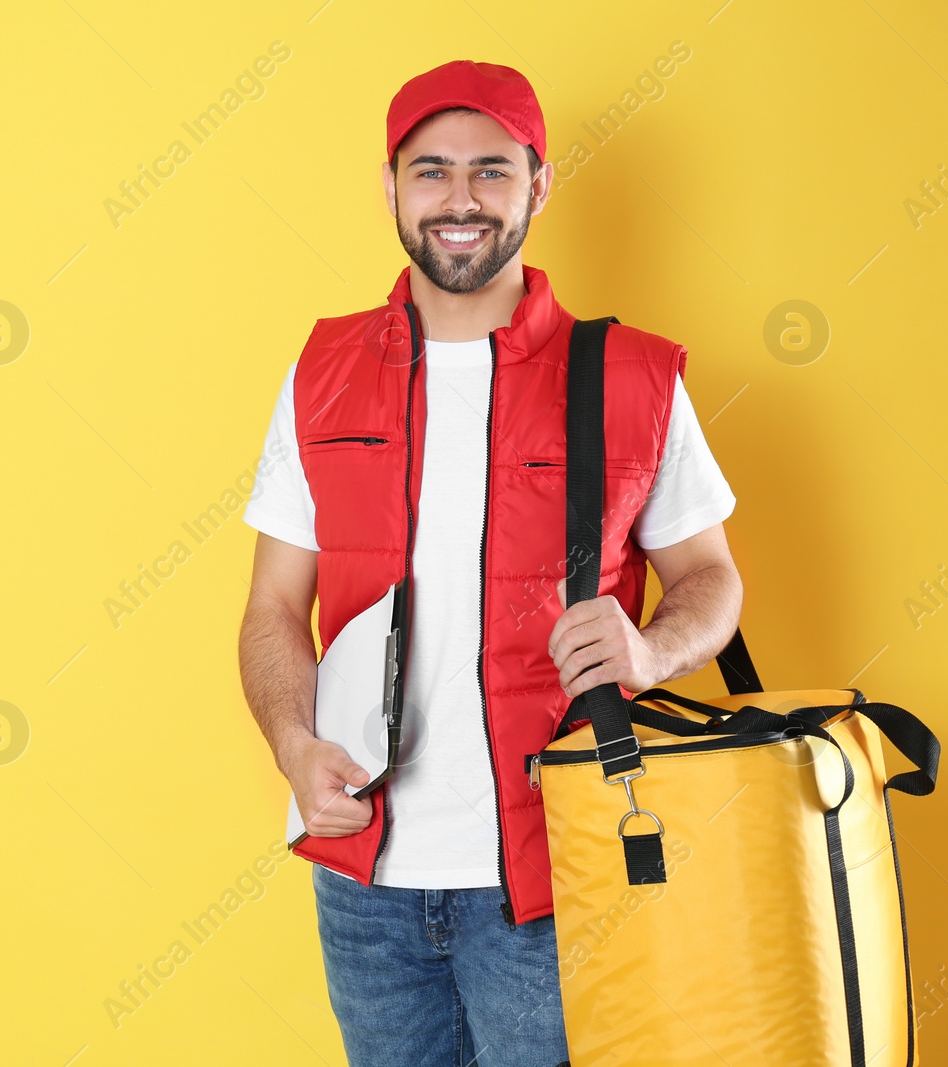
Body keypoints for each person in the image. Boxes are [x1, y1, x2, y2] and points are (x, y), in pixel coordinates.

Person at [235, 60, 745, 1067]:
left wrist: (649, 650)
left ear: (538, 185)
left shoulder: (628, 374)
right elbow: (270, 609)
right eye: (430, 172)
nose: (459, 199)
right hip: (362, 884)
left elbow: (712, 578)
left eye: (490, 172)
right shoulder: (320, 373)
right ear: (389, 188)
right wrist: (293, 746)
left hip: (558, 873)